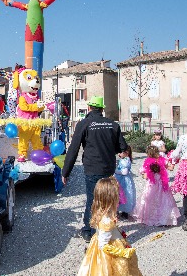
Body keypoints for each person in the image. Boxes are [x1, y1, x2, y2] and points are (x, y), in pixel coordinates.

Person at [62, 96, 129, 242]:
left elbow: (73, 149)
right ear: (102, 109)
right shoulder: (112, 124)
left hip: (92, 168)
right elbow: (122, 148)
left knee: (93, 200)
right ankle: (107, 228)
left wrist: (65, 172)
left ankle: (89, 231)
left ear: (89, 108)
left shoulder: (84, 124)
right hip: (108, 169)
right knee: (108, 199)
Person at [77, 176, 143, 276]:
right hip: (107, 254)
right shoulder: (106, 221)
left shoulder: (104, 214)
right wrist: (121, 252)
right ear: (111, 200)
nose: (119, 198)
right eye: (117, 196)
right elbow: (103, 246)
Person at [132, 145, 180, 226]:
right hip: (162, 184)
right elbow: (171, 168)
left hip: (152, 185)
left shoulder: (148, 162)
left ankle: (150, 218)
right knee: (163, 200)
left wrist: (143, 175)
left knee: (149, 200)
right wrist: (173, 160)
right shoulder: (163, 160)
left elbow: (145, 175)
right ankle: (164, 218)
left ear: (148, 154)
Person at [114, 145, 135, 220]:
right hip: (120, 179)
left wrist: (115, 171)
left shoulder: (126, 160)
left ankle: (124, 210)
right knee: (119, 194)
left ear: (127, 153)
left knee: (125, 194)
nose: (119, 154)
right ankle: (118, 209)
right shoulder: (124, 159)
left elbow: (125, 172)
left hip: (124, 181)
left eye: (121, 153)